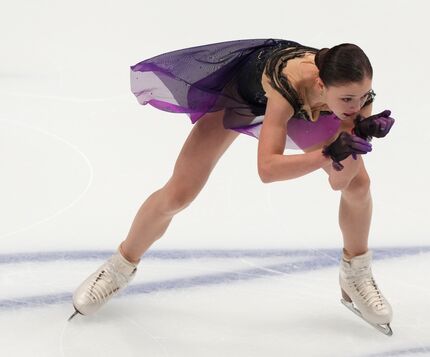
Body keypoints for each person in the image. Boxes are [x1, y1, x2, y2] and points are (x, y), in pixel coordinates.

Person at [69, 38, 396, 335]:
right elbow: (267, 169)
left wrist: (356, 138)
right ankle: (119, 267)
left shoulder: (354, 99)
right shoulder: (288, 84)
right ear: (322, 85)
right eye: (348, 99)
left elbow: (341, 181)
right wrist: (329, 153)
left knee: (359, 186)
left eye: (363, 97)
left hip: (305, 109)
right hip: (240, 96)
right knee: (179, 193)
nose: (356, 106)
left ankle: (355, 274)